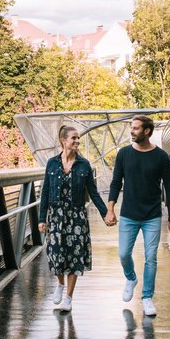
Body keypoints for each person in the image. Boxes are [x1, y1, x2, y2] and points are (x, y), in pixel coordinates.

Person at [105, 115, 170, 317]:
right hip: (128, 213)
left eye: (136, 128)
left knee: (151, 258)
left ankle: (147, 297)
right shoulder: (124, 154)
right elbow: (115, 183)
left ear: (147, 131)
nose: (132, 131)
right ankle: (131, 278)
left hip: (152, 215)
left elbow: (169, 190)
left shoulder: (162, 157)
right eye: (132, 128)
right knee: (123, 254)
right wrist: (110, 209)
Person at [38, 125, 110, 313]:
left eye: (78, 138)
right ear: (64, 141)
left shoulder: (84, 165)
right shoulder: (52, 163)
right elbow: (45, 191)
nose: (77, 141)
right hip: (56, 216)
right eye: (74, 138)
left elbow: (93, 193)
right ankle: (60, 283)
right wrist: (41, 218)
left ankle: (68, 297)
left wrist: (105, 213)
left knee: (75, 256)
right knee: (56, 253)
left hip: (76, 216)